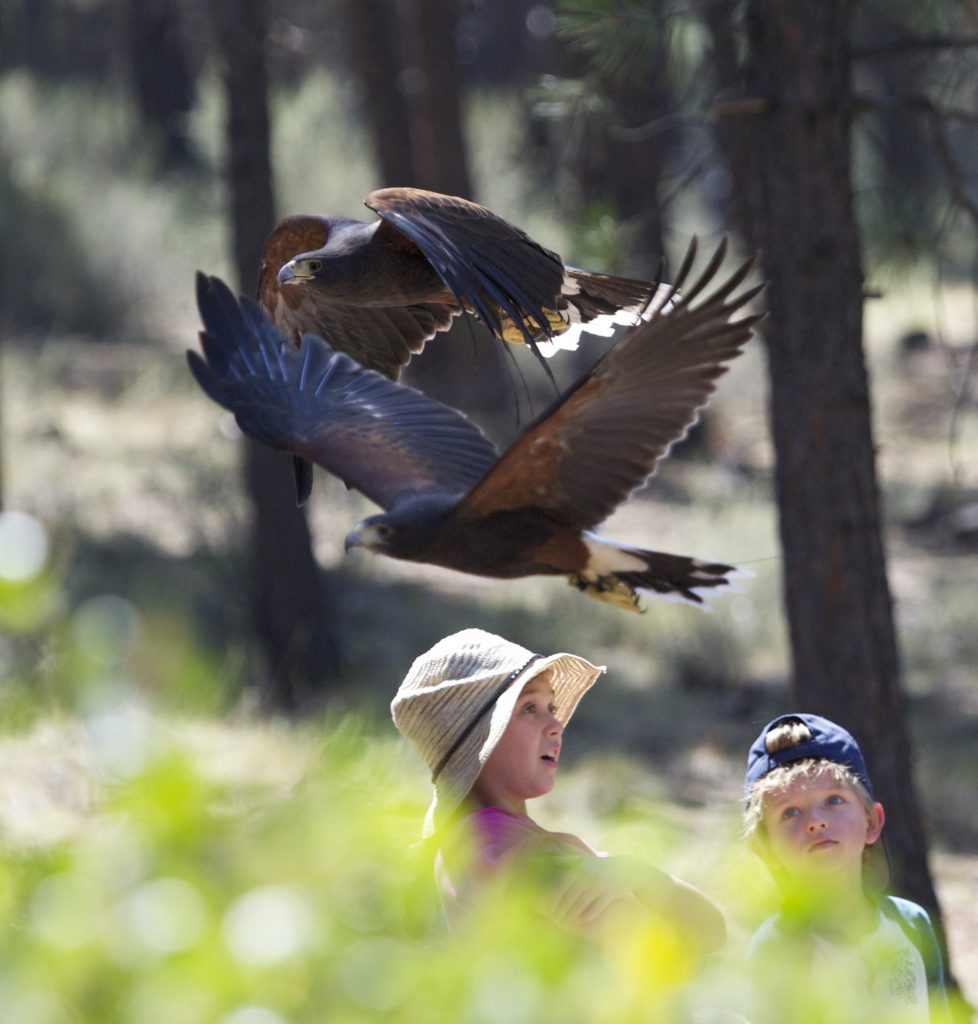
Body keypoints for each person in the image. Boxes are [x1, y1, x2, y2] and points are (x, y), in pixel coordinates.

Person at [391, 627, 726, 955]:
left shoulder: (481, 840)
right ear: (482, 737)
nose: (556, 726)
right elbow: (674, 953)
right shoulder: (509, 849)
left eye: (551, 709)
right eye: (528, 709)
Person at [742, 712, 950, 1023]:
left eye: (833, 800)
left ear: (872, 821)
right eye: (790, 813)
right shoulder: (777, 948)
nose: (816, 821)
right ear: (765, 849)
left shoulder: (911, 924)